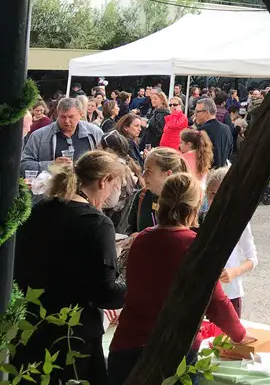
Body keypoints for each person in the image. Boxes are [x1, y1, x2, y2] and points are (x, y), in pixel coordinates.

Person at [108, 173, 250, 383]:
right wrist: (239, 334)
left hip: (128, 344)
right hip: (173, 349)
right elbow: (214, 299)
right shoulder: (194, 244)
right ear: (195, 208)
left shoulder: (142, 239)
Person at [13, 150, 126, 385]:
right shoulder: (97, 223)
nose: (111, 194)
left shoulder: (38, 210)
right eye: (113, 185)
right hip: (72, 339)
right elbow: (105, 293)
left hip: (30, 329)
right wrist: (133, 283)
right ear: (104, 180)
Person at [204, 167, 257, 315]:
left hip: (230, 295)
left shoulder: (239, 222)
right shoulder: (201, 220)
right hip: (203, 295)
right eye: (212, 194)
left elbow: (252, 258)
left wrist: (234, 272)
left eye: (223, 194)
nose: (217, 200)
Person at [21, 97, 103, 174]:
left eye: (71, 117)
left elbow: (107, 161)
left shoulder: (94, 133)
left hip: (86, 183)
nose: (67, 121)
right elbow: (23, 165)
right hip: (52, 183)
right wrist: (51, 165)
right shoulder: (39, 136)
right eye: (63, 117)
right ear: (57, 114)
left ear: (80, 114)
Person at [193, 97, 234, 169]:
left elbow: (199, 156)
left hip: (208, 171)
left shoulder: (202, 131)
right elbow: (230, 151)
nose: (195, 114)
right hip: (222, 171)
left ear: (207, 113)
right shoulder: (226, 128)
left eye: (197, 111)